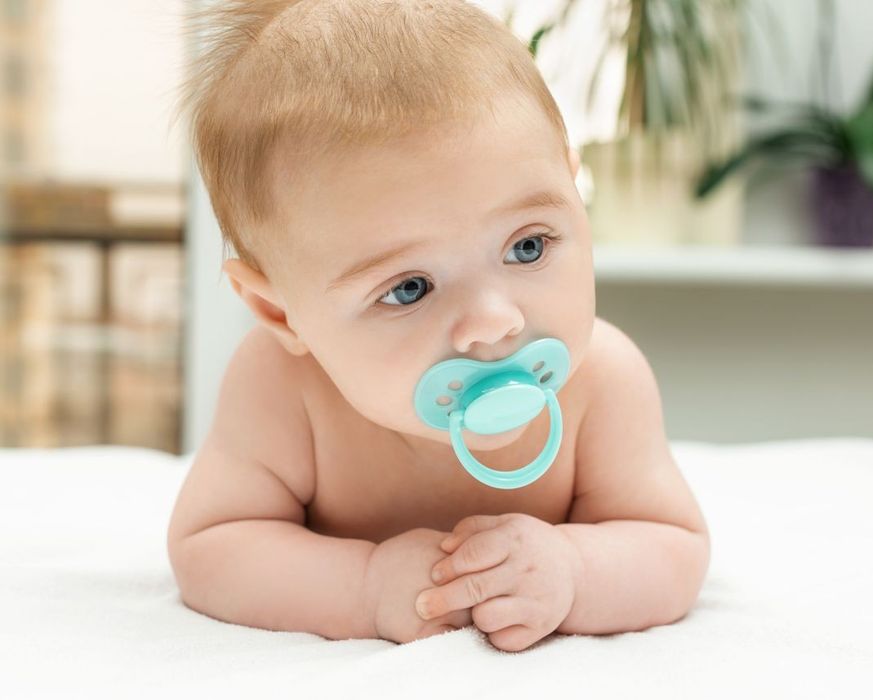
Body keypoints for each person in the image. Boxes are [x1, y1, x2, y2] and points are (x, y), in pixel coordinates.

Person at [167, 0, 709, 653]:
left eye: (528, 247)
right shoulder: (281, 388)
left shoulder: (604, 378)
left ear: (574, 194)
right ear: (280, 311)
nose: (492, 324)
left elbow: (673, 547)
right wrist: (363, 588)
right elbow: (213, 547)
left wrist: (575, 569)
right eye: (409, 288)